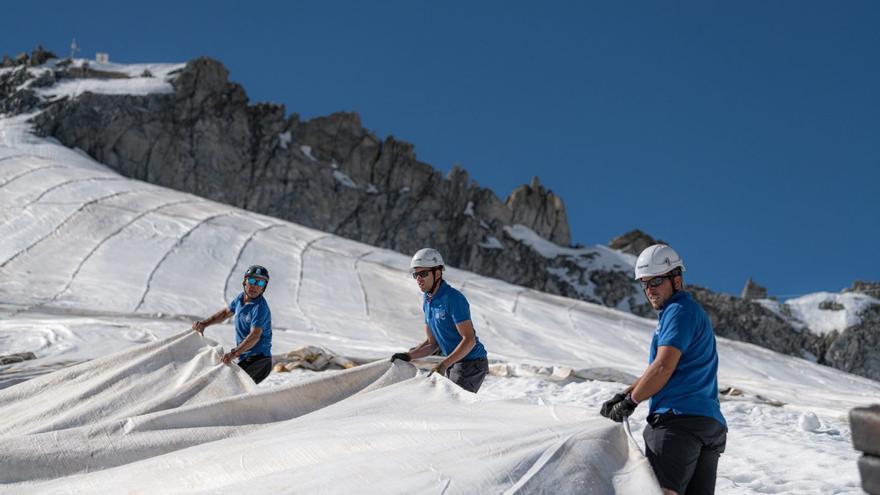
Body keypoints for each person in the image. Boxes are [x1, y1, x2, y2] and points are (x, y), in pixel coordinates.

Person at [599, 244, 727, 495]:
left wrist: (632, 401)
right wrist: (625, 394)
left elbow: (662, 367)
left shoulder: (677, 311)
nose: (650, 290)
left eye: (656, 281)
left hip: (677, 423)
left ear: (676, 279)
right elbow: (661, 368)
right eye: (644, 284)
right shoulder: (690, 313)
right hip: (709, 425)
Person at [390, 248, 489, 393]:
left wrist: (443, 365)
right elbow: (432, 344)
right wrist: (408, 356)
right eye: (416, 274)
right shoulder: (428, 300)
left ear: (437, 273)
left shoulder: (453, 298)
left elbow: (469, 340)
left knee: (451, 405)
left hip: (471, 363)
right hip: (453, 361)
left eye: (423, 273)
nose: (419, 279)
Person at [192, 265, 273, 384]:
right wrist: (204, 324)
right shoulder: (240, 298)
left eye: (260, 284)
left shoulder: (260, 308)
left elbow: (255, 335)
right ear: (244, 282)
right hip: (245, 358)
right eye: (251, 280)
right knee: (229, 386)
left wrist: (234, 353)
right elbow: (225, 313)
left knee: (230, 385)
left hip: (259, 359)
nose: (255, 286)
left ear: (263, 288)